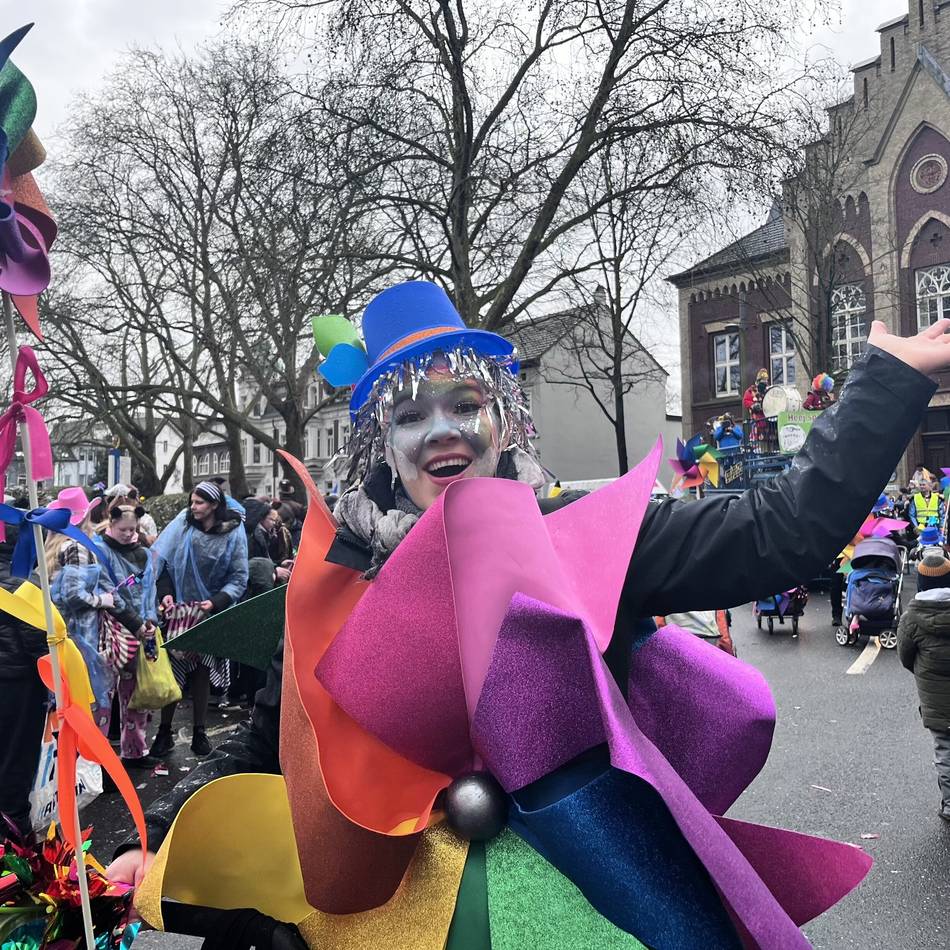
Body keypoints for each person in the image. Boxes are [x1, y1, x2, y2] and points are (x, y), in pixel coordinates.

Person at [107, 281, 950, 945]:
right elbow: (268, 759)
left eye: (465, 404)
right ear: (377, 442)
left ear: (501, 419)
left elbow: (780, 533)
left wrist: (892, 381)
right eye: (410, 413)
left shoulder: (587, 538)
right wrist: (155, 840)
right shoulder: (331, 583)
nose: (443, 431)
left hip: (585, 909)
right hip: (384, 928)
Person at [149, 481, 248, 758]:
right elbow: (164, 563)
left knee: (202, 671)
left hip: (208, 613)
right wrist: (165, 594)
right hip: (178, 611)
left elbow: (239, 576)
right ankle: (164, 731)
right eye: (192, 502)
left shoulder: (233, 533)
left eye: (199, 503)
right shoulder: (183, 526)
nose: (193, 508)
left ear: (215, 505)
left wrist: (215, 602)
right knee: (172, 671)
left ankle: (199, 732)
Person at [93, 504, 161, 769]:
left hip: (139, 630)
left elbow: (149, 590)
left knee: (135, 695)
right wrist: (138, 622)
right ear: (111, 523)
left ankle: (135, 750)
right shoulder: (99, 551)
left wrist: (151, 620)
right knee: (104, 697)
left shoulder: (144, 554)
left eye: (133, 529)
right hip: (110, 632)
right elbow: (107, 592)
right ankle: (98, 758)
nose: (129, 534)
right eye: (123, 529)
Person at [0, 517, 48, 839]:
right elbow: (40, 640)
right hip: (18, 685)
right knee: (15, 763)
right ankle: (14, 838)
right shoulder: (22, 581)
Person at [897, 547, 950, 822]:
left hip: (935, 698)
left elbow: (905, 657)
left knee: (945, 749)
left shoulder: (911, 619)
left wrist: (922, 670)